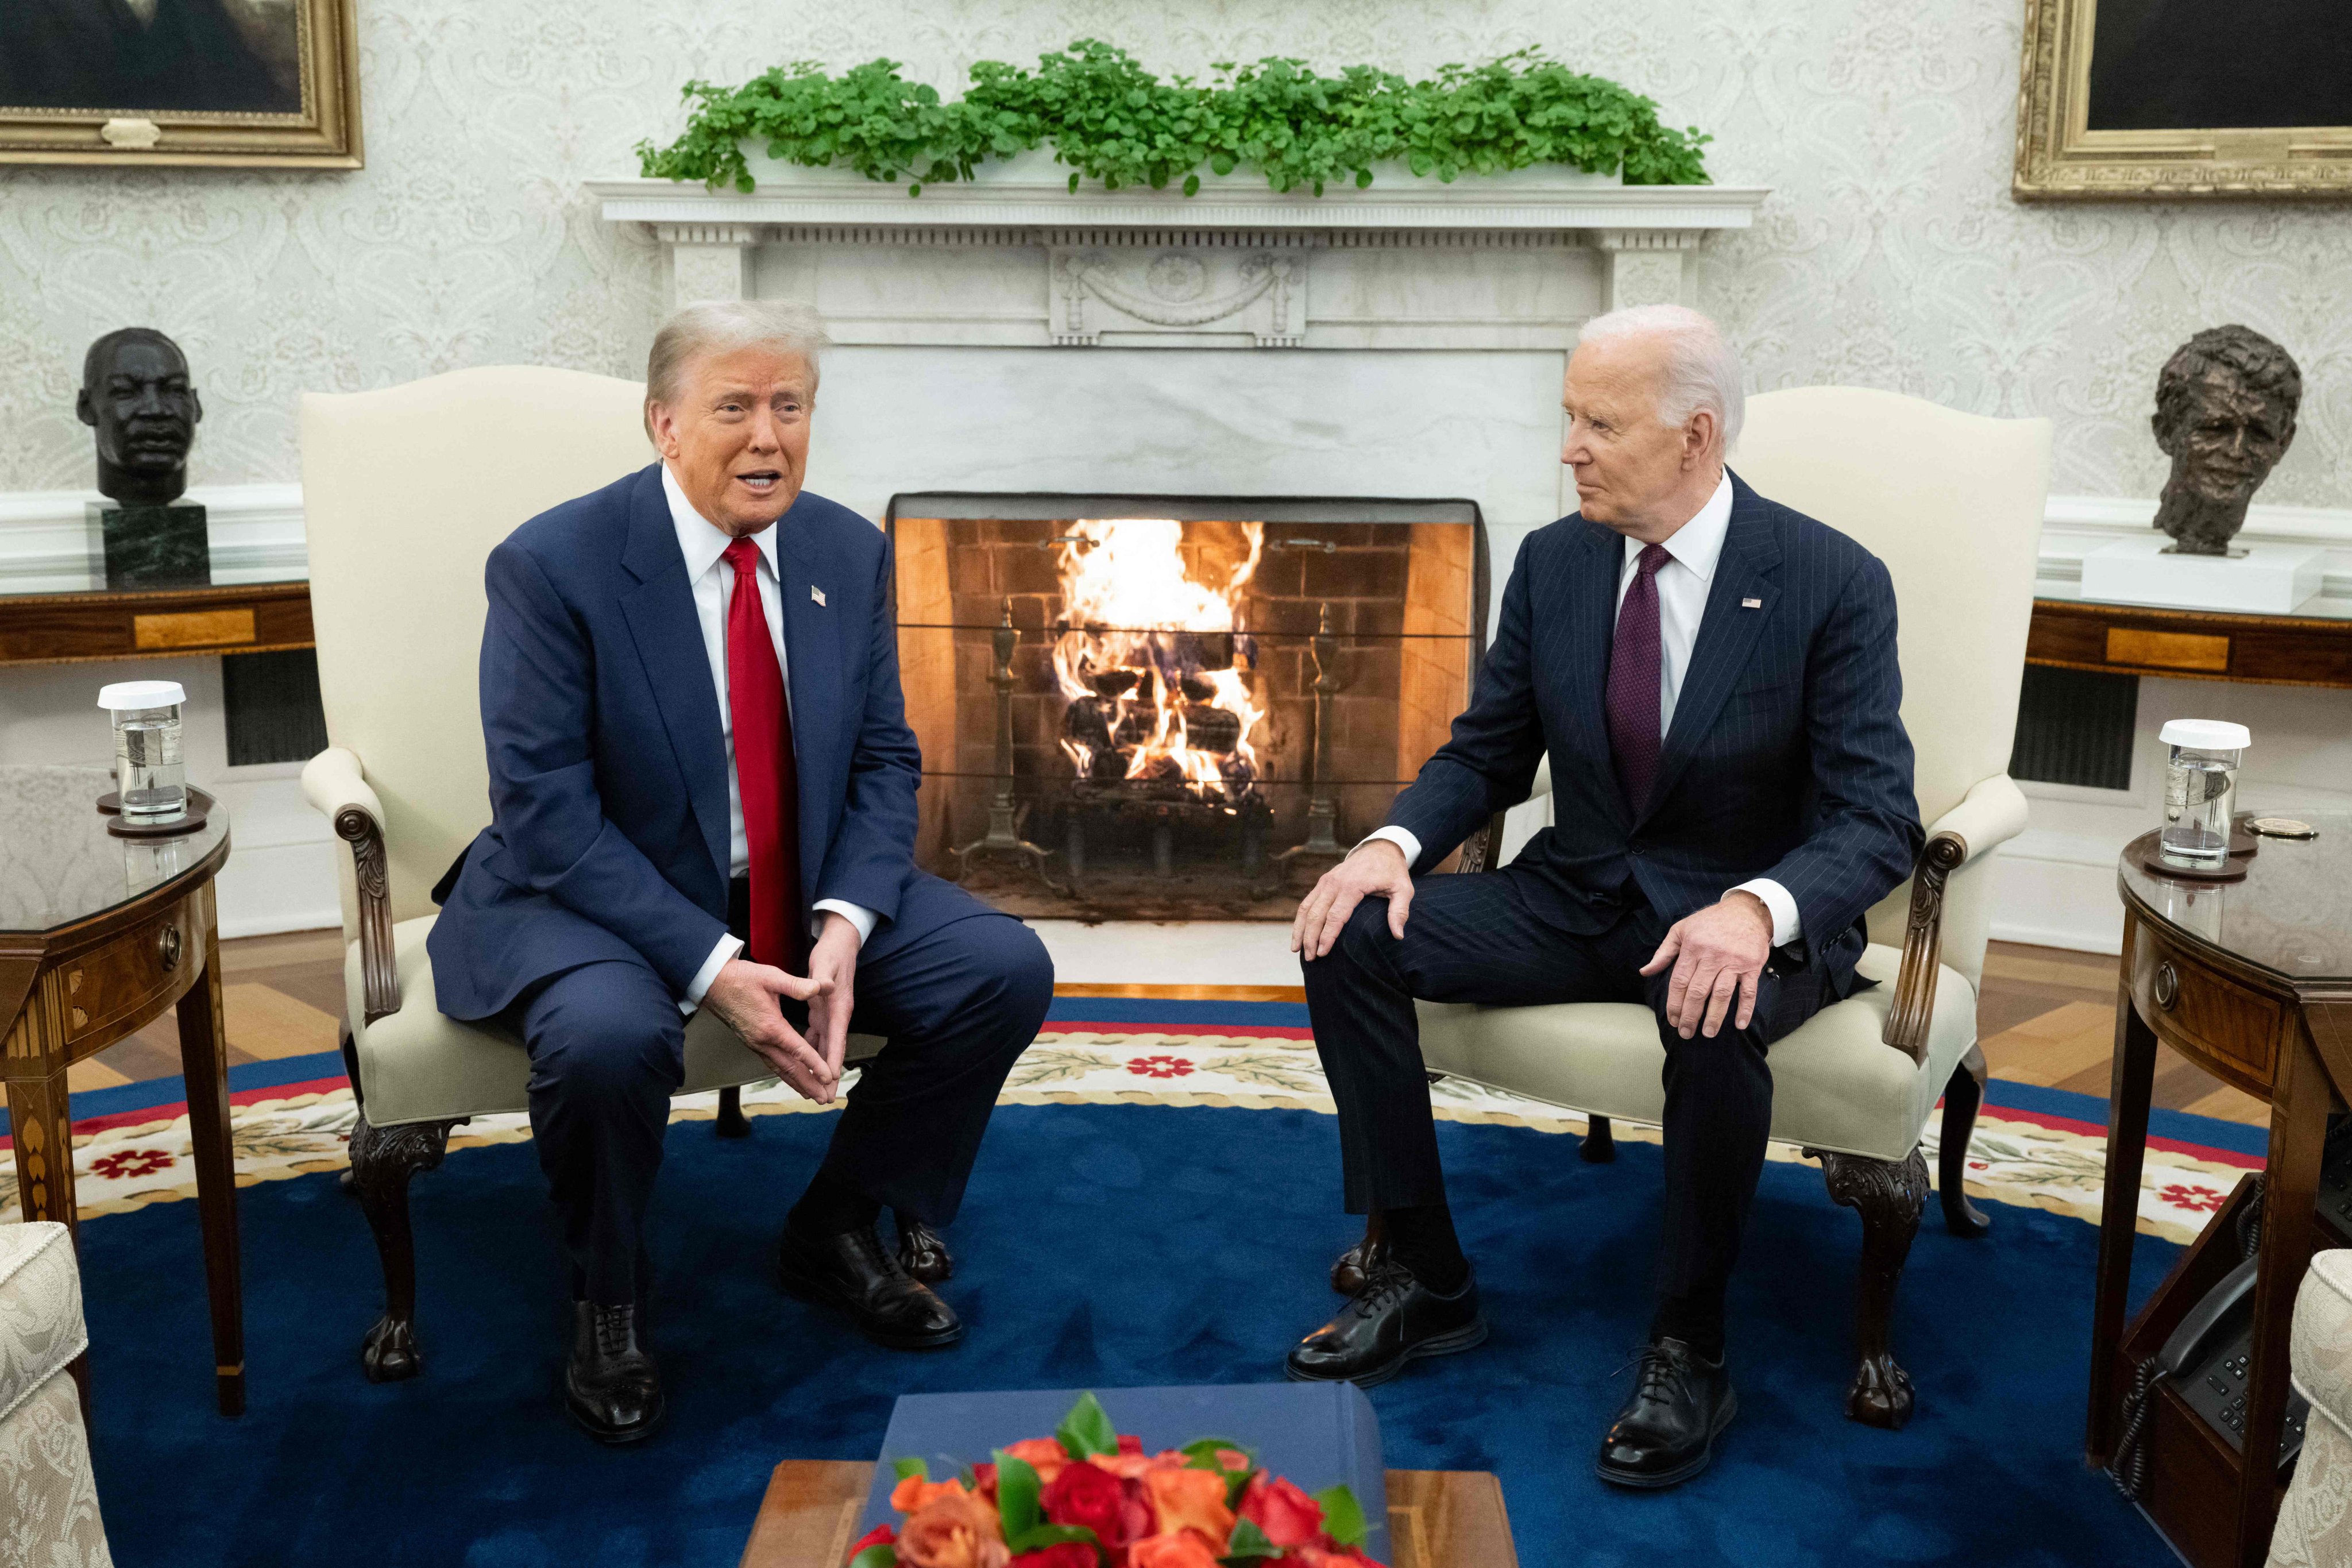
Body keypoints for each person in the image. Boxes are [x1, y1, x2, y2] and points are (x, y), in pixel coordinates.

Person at [1283, 303, 1921, 1489]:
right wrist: (1387, 846)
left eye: (1596, 423)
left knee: (1712, 1001)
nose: (1566, 448)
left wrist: (1755, 911)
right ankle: (1423, 1275)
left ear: (1694, 435)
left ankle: (1690, 1345)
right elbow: (1485, 755)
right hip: (1575, 894)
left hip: (1747, 914)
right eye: (1566, 418)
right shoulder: (1555, 562)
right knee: (1348, 933)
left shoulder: (1827, 581)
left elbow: (1875, 815)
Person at [427, 300, 1054, 1444]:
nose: (766, 437)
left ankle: (837, 1223)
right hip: (594, 893)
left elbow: (880, 753)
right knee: (611, 1038)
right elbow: (544, 812)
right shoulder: (553, 565)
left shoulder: (844, 548)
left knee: (999, 968)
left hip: (790, 875)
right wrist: (712, 965)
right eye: (733, 407)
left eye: (788, 406)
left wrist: (846, 920)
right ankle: (606, 1299)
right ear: (664, 423)